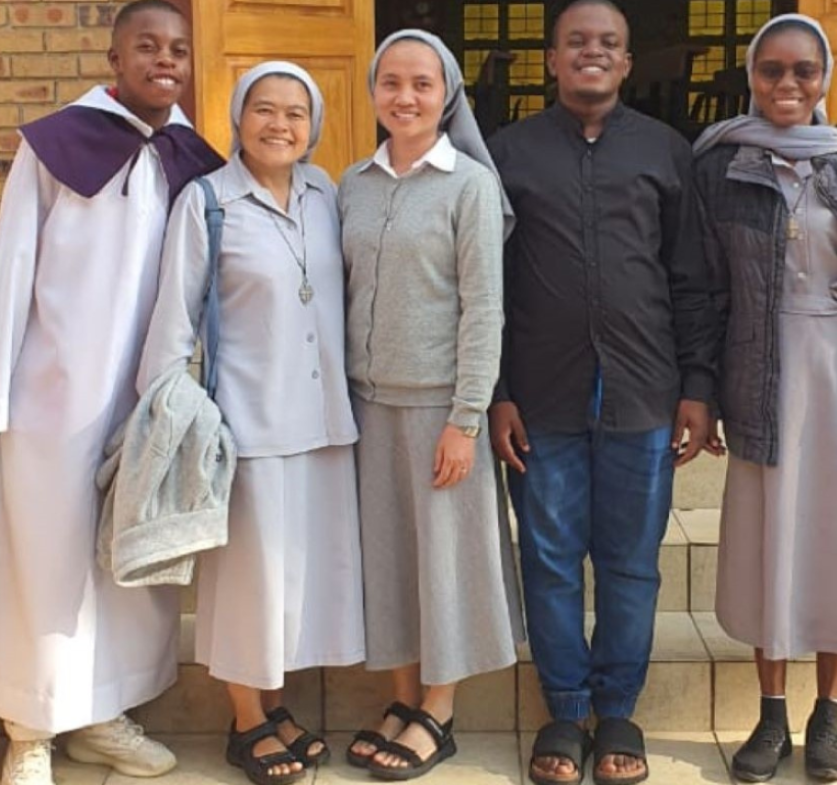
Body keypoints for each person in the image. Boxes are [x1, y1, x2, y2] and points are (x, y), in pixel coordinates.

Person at [0, 2, 223, 784]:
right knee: (44, 557)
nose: (164, 60)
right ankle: (30, 729)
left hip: (146, 391)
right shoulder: (57, 145)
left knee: (123, 559)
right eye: (147, 46)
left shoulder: (188, 157)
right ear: (114, 58)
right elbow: (12, 261)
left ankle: (102, 714)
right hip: (56, 390)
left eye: (178, 49)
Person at [487, 2, 717, 783]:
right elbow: (488, 286)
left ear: (626, 63)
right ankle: (564, 708)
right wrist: (497, 390)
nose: (593, 52)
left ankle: (618, 707)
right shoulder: (508, 153)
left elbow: (691, 278)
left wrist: (698, 385)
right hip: (538, 397)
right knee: (549, 558)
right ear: (552, 59)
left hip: (643, 391)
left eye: (608, 43)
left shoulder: (666, 151)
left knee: (631, 562)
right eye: (577, 41)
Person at [693, 13, 837, 783]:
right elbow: (704, 288)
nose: (788, 84)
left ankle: (829, 715)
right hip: (759, 375)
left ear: (825, 78)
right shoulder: (720, 165)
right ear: (751, 76)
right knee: (766, 547)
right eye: (772, 69)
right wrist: (702, 390)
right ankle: (771, 713)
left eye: (803, 70)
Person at [137, 61, 364, 785]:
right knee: (248, 583)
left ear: (313, 125)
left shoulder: (326, 193)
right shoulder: (207, 202)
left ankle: (272, 703)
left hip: (326, 421)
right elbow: (173, 319)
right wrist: (173, 413)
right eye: (264, 109)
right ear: (238, 117)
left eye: (296, 112)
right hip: (248, 423)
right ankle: (244, 722)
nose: (279, 124)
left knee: (296, 580)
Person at [339, 28, 523, 782]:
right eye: (391, 82)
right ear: (373, 91)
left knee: (443, 565)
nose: (405, 97)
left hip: (439, 410)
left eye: (422, 83)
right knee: (387, 560)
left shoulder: (468, 185)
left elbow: (485, 309)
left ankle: (438, 711)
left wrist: (465, 417)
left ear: (446, 95)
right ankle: (402, 696)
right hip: (367, 405)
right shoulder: (352, 182)